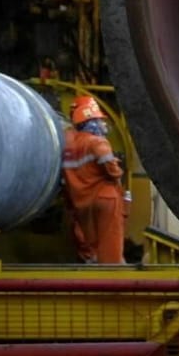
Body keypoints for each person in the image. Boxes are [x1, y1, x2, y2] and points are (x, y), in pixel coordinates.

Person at [61, 94, 127, 264]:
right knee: (110, 241)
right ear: (91, 120)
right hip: (105, 198)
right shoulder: (97, 142)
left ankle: (93, 270)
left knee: (92, 244)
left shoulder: (67, 143)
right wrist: (118, 170)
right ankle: (113, 278)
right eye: (100, 120)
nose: (103, 124)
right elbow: (112, 171)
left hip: (81, 201)